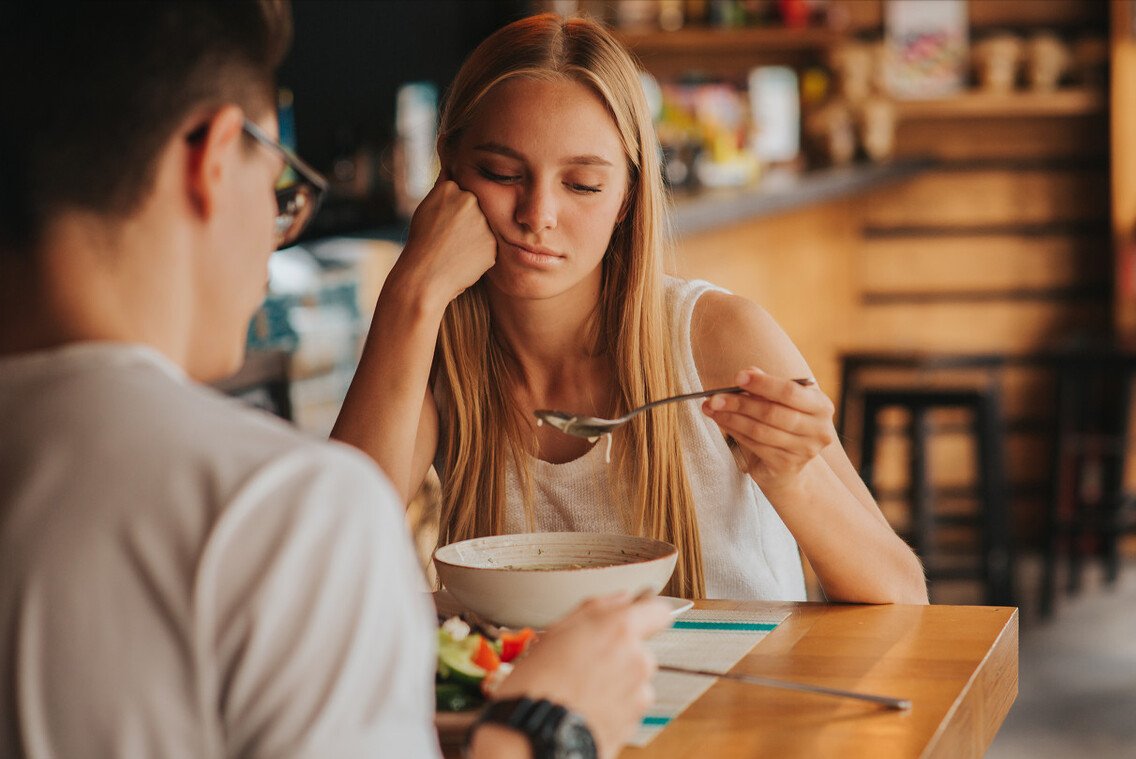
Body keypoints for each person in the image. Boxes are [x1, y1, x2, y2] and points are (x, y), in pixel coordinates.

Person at [0, 3, 669, 759]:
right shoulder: (279, 510)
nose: (277, 222)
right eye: (281, 178)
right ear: (216, 158)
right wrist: (547, 726)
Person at [332, 14, 928, 605]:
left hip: (737, 695)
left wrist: (794, 477)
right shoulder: (437, 357)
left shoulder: (718, 339)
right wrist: (410, 291)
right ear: (450, 172)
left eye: (583, 185)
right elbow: (328, 557)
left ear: (625, 198)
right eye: (502, 173)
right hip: (539, 702)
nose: (538, 214)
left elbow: (903, 597)